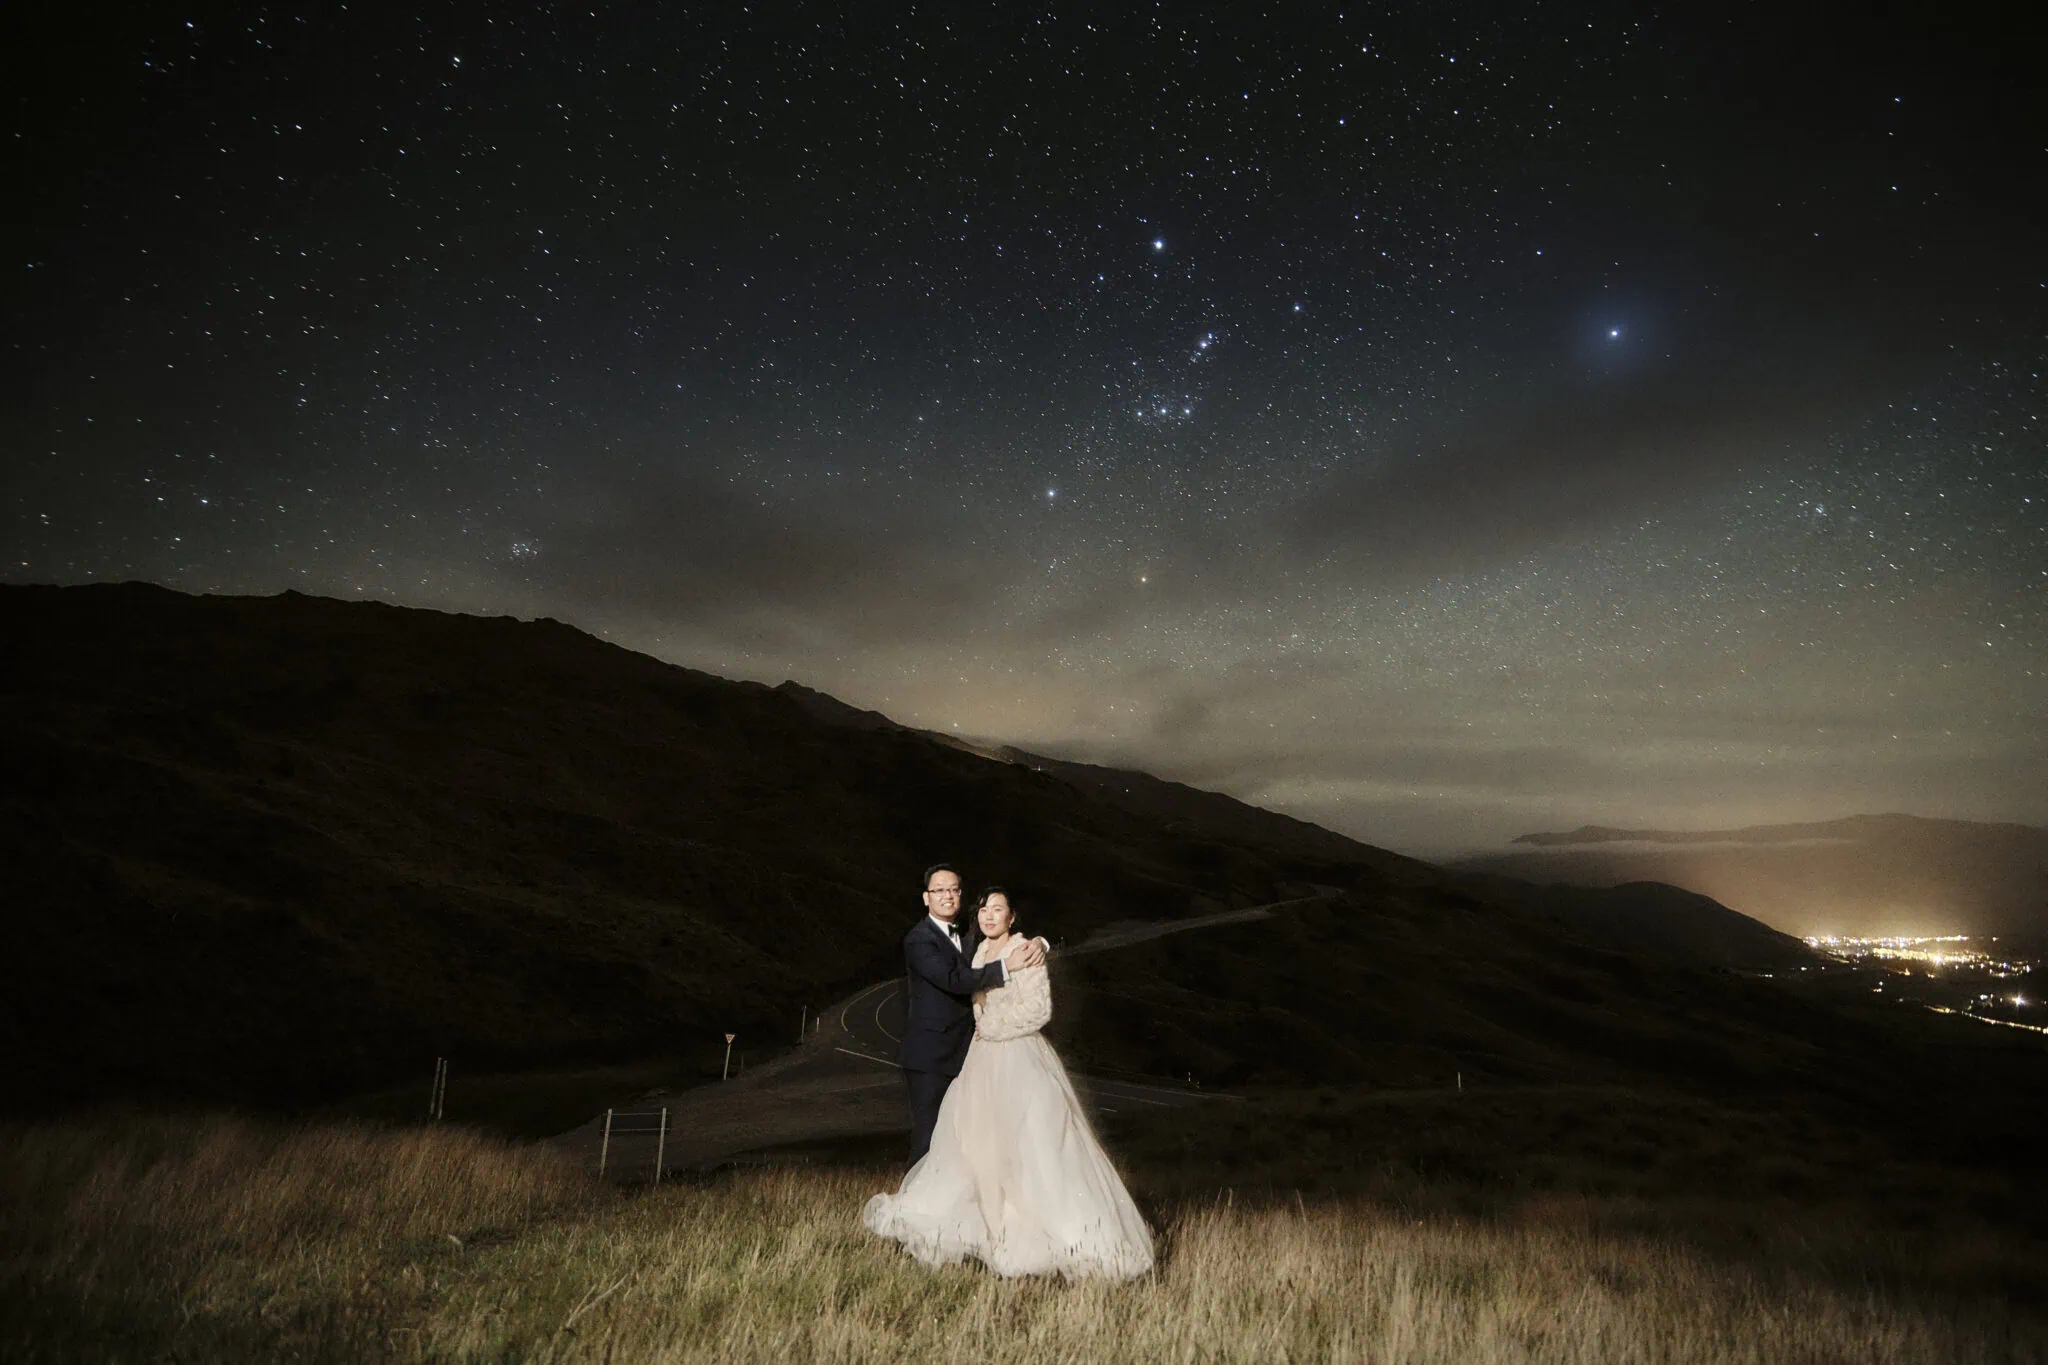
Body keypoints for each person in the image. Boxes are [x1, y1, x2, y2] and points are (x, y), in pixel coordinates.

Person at [864, 887, 1155, 1280]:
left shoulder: (1026, 952)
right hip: (982, 1063)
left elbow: (1039, 1011)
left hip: (1020, 1059)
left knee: (1032, 1149)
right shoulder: (977, 950)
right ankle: (988, 1231)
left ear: (1012, 916)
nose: (988, 915)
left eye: (997, 909)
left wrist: (996, 1020)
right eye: (983, 908)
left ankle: (1052, 1237)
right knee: (975, 1146)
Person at [897, 864, 1044, 1164]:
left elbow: (1004, 929)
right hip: (930, 1058)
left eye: (953, 890)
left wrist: (1040, 943)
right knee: (928, 1141)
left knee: (964, 1141)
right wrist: (1006, 968)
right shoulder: (918, 939)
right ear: (927, 898)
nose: (947, 896)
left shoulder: (969, 928)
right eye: (939, 890)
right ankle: (910, 1209)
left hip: (970, 1054)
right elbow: (954, 980)